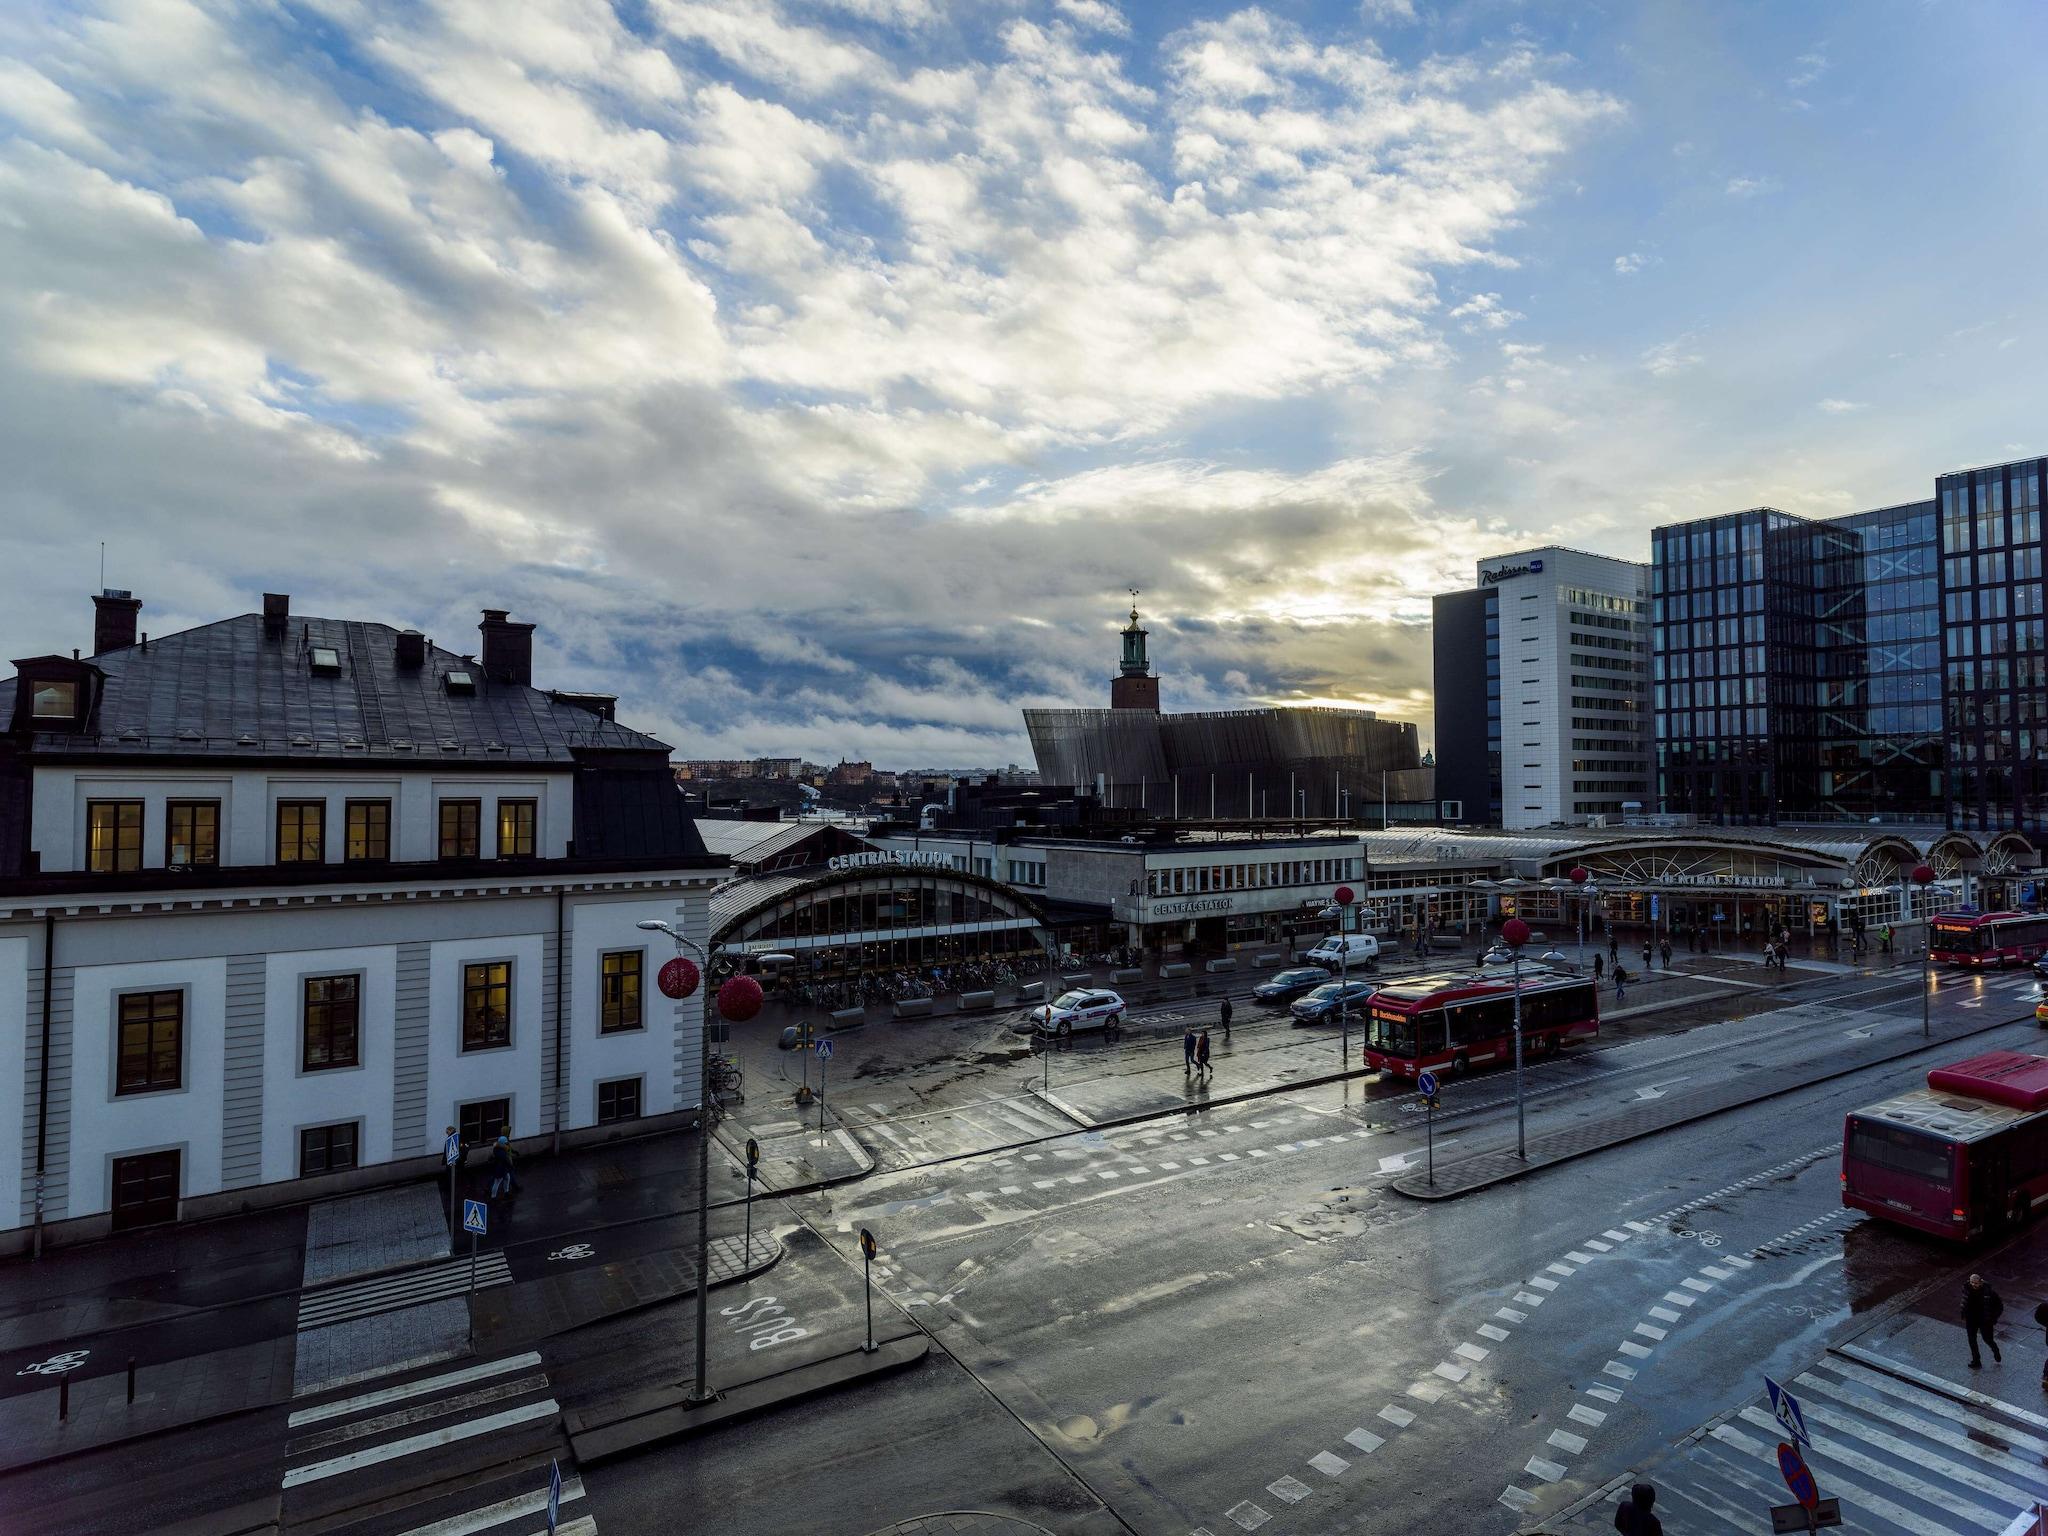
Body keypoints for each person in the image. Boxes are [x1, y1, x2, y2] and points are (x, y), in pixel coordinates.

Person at [1964, 1273, 2004, 1367]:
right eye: (1972, 1282)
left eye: (1976, 1283)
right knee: (1972, 1340)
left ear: (1980, 1282)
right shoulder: (1966, 1289)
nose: (1974, 1285)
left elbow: (2000, 1306)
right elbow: (1964, 1301)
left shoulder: (1990, 1293)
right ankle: (1976, 1361)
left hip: (1985, 1320)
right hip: (1971, 1319)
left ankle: (1995, 1350)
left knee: (1988, 1339)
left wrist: (1993, 1318)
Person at [488, 1134, 518, 1200]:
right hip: (500, 1169)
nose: (507, 1144)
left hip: (501, 1169)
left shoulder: (497, 1149)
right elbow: (505, 1160)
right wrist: (511, 1166)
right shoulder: (501, 1151)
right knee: (497, 1182)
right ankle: (493, 1197)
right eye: (505, 1143)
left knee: (507, 1178)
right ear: (502, 1143)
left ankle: (506, 1192)